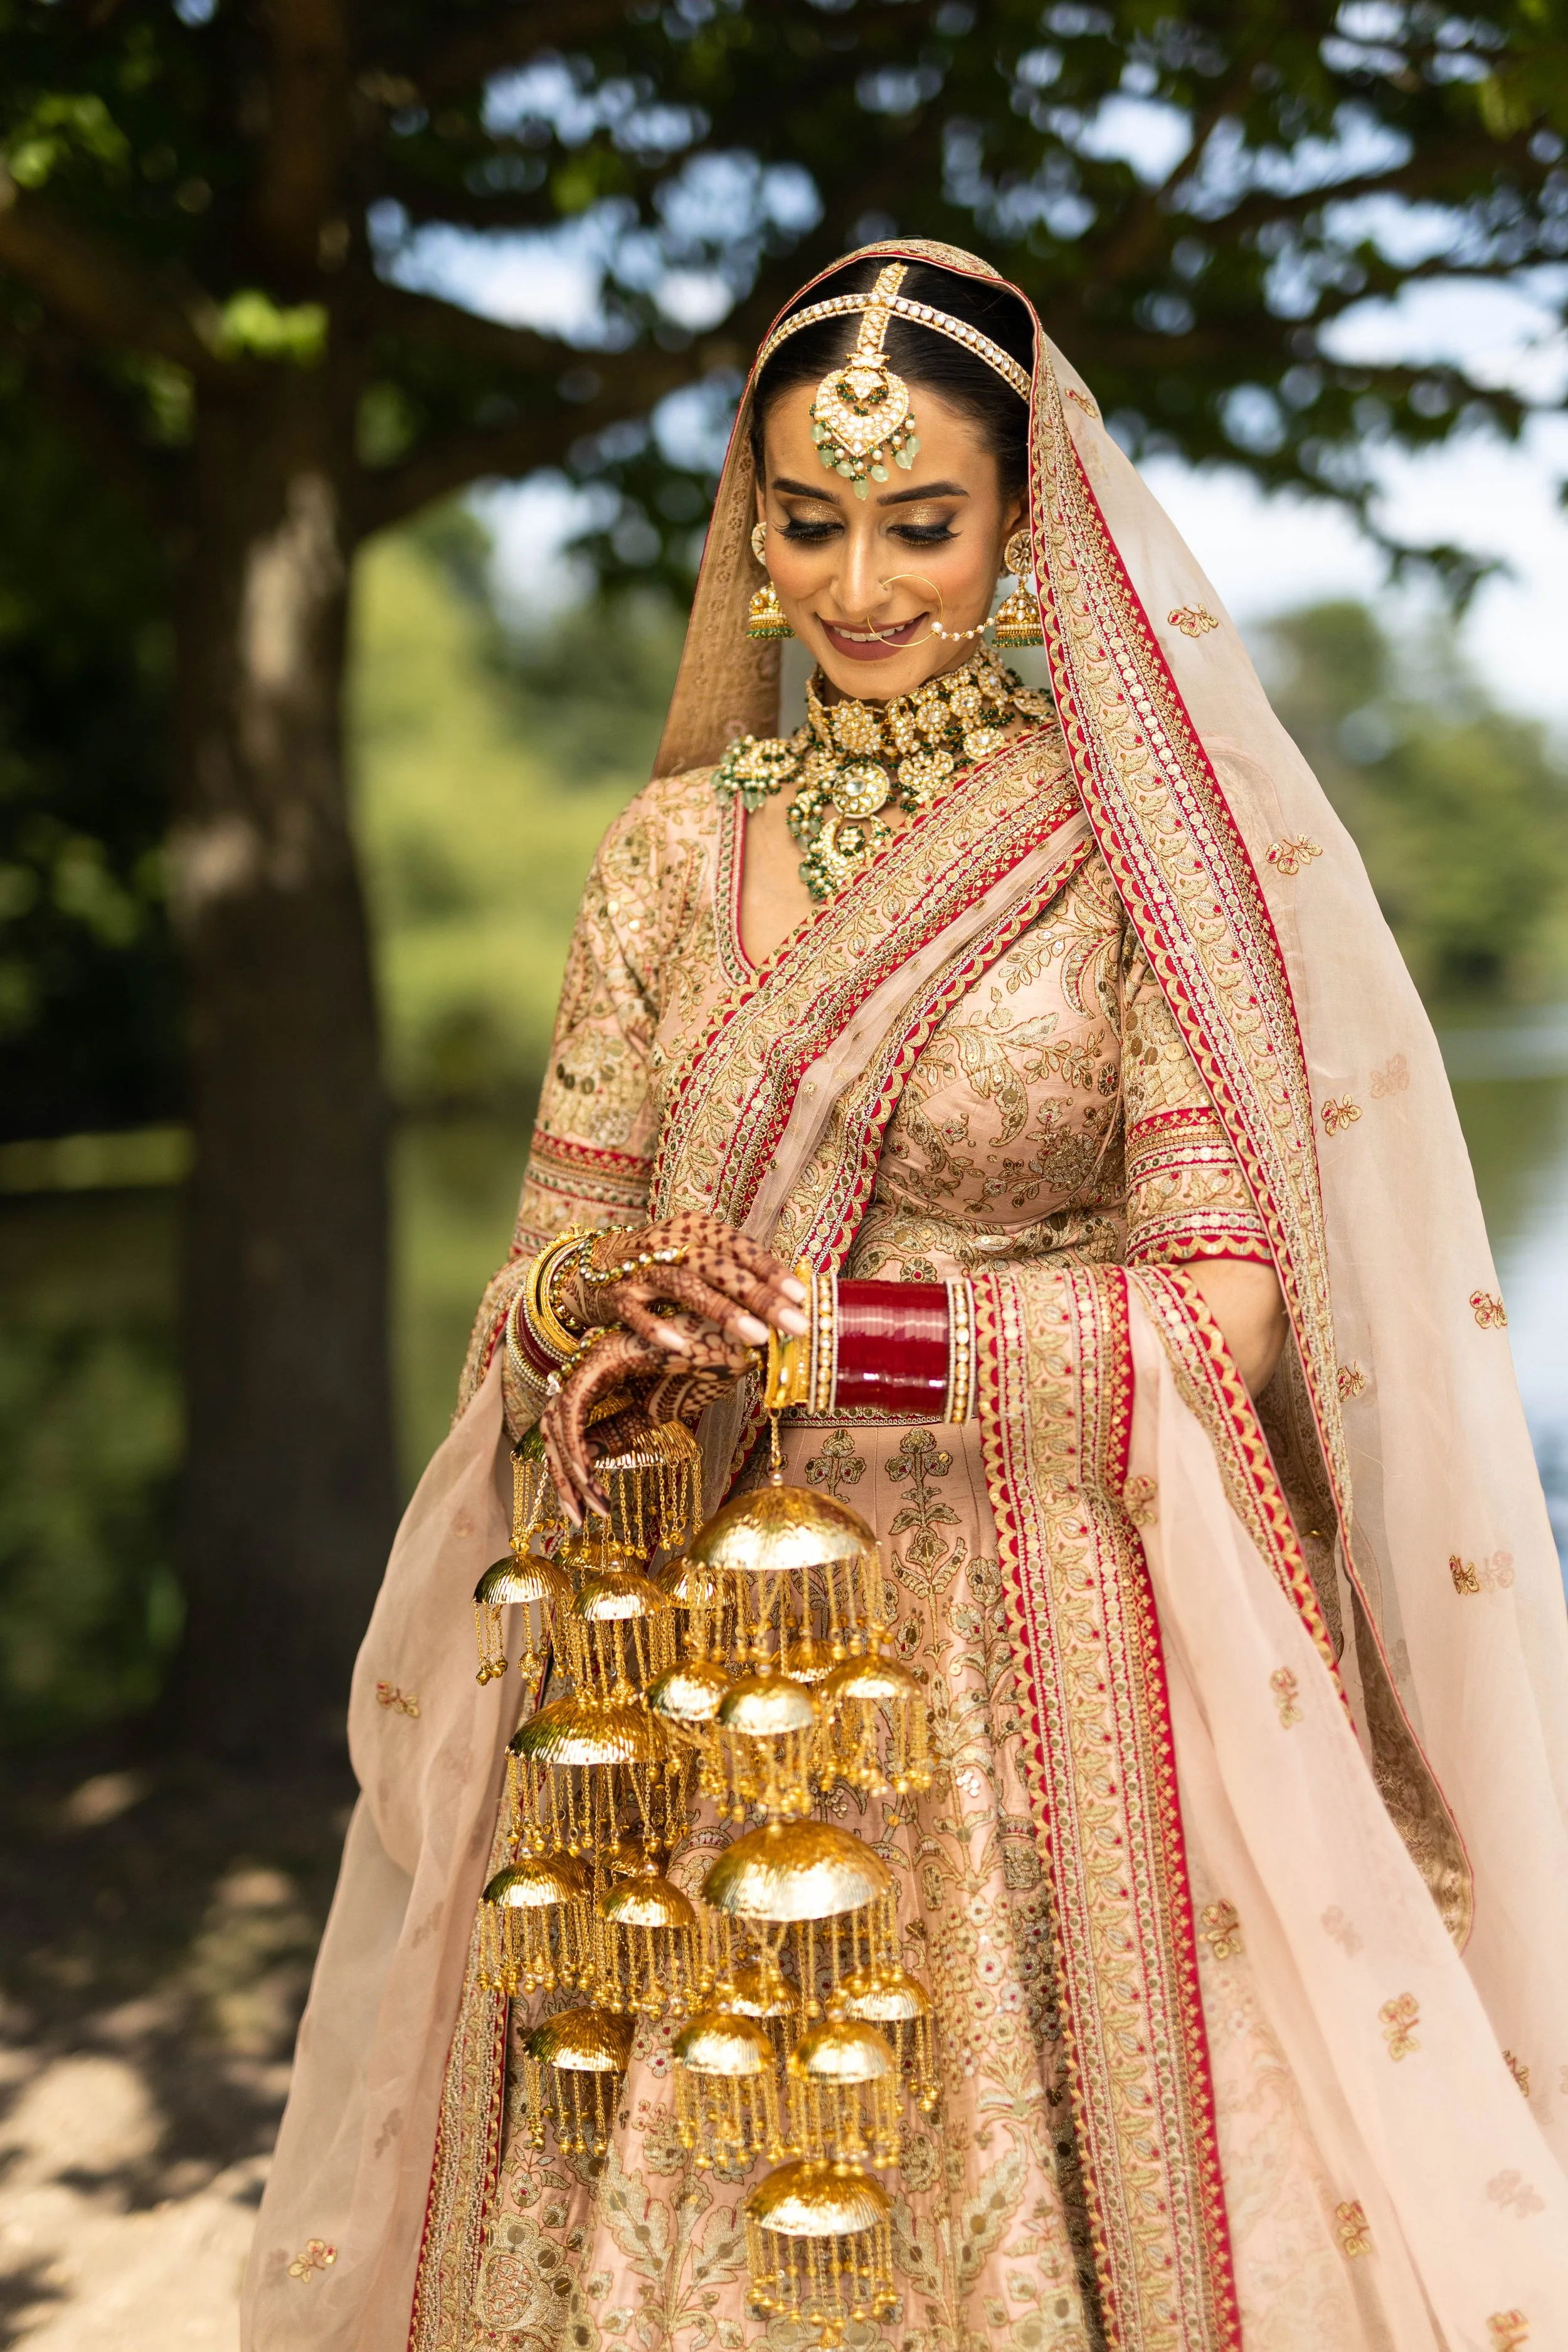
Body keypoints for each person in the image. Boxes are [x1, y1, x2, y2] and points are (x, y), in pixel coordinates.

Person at [244, 243, 1568, 2352]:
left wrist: (829, 1337)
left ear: (1023, 528)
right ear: (749, 529)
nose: (858, 579)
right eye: (809, 517)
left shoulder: (1129, 849)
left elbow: (1212, 1312)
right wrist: (608, 1295)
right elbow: (540, 1258)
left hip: (1045, 1651)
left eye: (920, 520)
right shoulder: (669, 855)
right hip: (698, 1646)